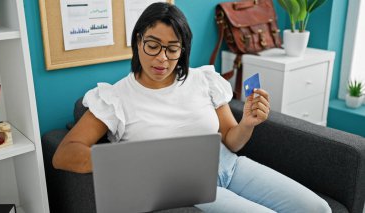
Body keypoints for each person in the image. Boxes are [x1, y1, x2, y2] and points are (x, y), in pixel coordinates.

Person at [52, 2, 331, 213]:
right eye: (153, 45)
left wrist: (246, 124)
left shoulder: (203, 79)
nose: (162, 58)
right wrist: (132, 161)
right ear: (138, 42)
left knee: (318, 209)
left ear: (182, 50)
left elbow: (232, 141)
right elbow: (65, 154)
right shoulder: (115, 97)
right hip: (185, 187)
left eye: (173, 48)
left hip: (230, 167)